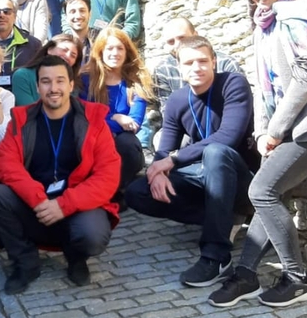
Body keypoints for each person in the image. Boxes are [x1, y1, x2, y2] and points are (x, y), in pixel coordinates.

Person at [209, 0, 307, 308]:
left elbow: (304, 82)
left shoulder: (300, 18)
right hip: (281, 128)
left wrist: (274, 130)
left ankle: (298, 279)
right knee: (267, 193)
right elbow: (261, 85)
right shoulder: (264, 22)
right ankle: (247, 274)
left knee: (262, 191)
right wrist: (261, 132)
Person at [123, 35, 255, 287]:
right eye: (189, 63)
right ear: (179, 68)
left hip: (241, 181)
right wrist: (158, 171)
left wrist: (172, 160)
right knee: (138, 191)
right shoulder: (177, 100)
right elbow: (164, 150)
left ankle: (216, 257)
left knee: (216, 152)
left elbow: (228, 136)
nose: (197, 68)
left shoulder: (233, 84)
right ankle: (224, 219)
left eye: (203, 61)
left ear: (214, 62)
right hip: (204, 178)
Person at [0, 55, 121, 293]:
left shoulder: (93, 120)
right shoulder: (21, 119)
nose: (53, 88)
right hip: (34, 205)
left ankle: (76, 257)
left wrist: (64, 204)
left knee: (93, 234)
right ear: (38, 87)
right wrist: (38, 199)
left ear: (70, 84)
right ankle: (26, 261)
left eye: (59, 81)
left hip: (77, 206)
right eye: (46, 82)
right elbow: (7, 165)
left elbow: (107, 176)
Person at [142, 17, 244, 149]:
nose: (177, 44)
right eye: (171, 41)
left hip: (223, 127)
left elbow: (237, 110)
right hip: (186, 131)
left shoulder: (226, 63)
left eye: (182, 38)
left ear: (195, 35)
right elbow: (169, 116)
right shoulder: (163, 70)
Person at [83, 26, 150, 192]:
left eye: (120, 48)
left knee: (125, 142)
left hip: (124, 148)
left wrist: (105, 122)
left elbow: (134, 123)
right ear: (100, 51)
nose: (115, 53)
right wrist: (116, 118)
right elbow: (85, 119)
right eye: (110, 48)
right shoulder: (86, 80)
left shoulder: (135, 80)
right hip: (95, 143)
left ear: (127, 51)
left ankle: (116, 189)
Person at [0, 0, 43, 87]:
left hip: (22, 98)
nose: (2, 15)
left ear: (14, 16)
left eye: (7, 11)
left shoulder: (34, 45)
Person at [11, 34, 82, 106]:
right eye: (64, 50)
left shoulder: (72, 83)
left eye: (73, 56)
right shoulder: (23, 76)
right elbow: (28, 112)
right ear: (50, 49)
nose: (67, 56)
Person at [63, 0, 94, 65]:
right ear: (66, 17)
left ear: (90, 14)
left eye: (82, 11)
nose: (78, 16)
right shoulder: (61, 46)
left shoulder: (101, 41)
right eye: (72, 12)